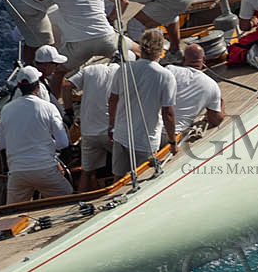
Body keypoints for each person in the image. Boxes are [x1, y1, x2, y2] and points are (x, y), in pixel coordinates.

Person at [0, 66, 74, 204]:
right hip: (45, 170)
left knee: (12, 212)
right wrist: (48, 145)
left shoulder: (5, 110)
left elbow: (3, 145)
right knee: (69, 200)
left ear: (19, 87)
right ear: (38, 85)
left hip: (17, 174)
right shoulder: (49, 108)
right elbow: (63, 143)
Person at [108, 30, 177, 177]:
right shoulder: (165, 76)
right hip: (145, 141)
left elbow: (113, 99)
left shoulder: (124, 69)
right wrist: (172, 142)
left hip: (121, 135)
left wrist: (112, 125)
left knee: (118, 179)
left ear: (141, 47)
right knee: (142, 179)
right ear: (161, 51)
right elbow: (168, 113)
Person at [63, 58, 120, 192]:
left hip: (88, 133)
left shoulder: (90, 70)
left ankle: (81, 200)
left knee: (87, 172)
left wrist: (69, 112)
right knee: (123, 168)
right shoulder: (123, 72)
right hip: (111, 132)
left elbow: (66, 85)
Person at [168, 43, 224, 135]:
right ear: (204, 60)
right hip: (174, 134)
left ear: (183, 59)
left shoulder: (170, 70)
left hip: (148, 128)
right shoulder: (212, 85)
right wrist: (221, 104)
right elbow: (215, 120)